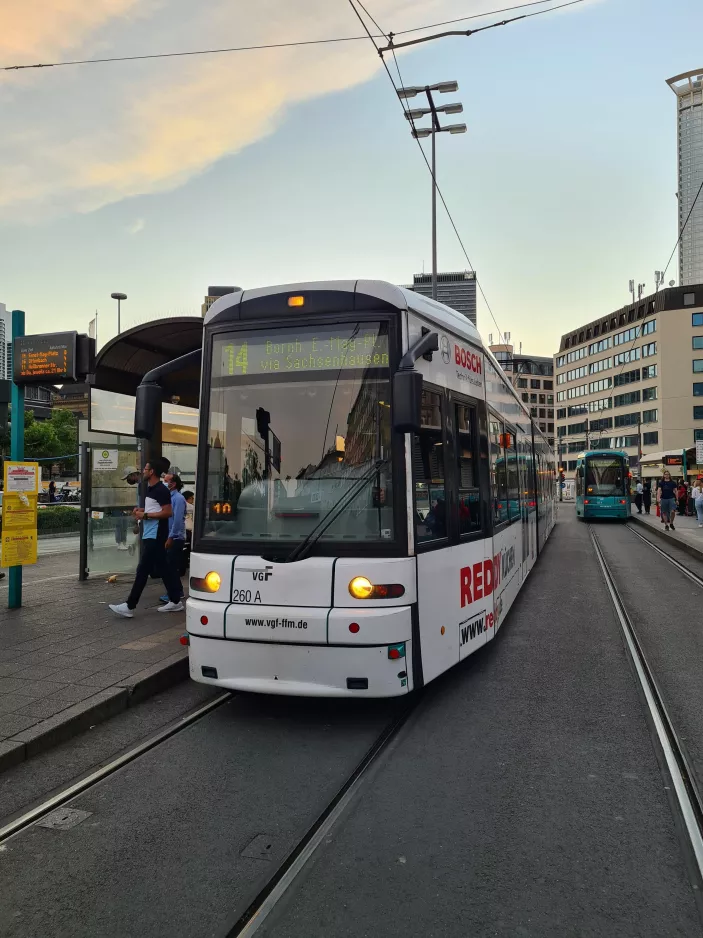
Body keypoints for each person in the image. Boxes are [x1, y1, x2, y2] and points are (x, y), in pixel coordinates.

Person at [108, 457, 183, 618]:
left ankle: (129, 606)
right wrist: (141, 510)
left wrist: (146, 515)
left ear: (152, 472)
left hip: (155, 535)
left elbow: (168, 512)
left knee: (142, 570)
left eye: (146, 469)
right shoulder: (151, 488)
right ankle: (176, 601)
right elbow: (155, 508)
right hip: (150, 533)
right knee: (164, 568)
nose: (143, 471)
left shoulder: (161, 490)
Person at [159, 473, 187, 604]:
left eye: (166, 481)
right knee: (170, 564)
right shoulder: (168, 497)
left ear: (173, 484)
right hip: (169, 535)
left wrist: (171, 537)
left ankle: (174, 593)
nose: (164, 483)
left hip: (175, 537)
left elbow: (177, 521)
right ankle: (177, 591)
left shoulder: (179, 499)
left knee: (171, 565)